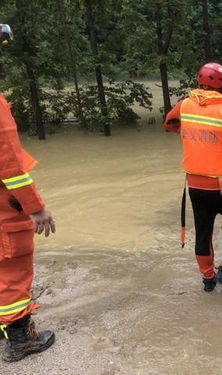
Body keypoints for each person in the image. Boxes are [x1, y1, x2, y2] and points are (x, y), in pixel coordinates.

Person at [163, 62, 222, 292]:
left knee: (203, 232)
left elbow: (169, 123)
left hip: (194, 184)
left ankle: (208, 279)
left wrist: (186, 133)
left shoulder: (185, 104)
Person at [0, 24, 56, 362]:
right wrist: (36, 208)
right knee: (14, 271)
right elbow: (10, 167)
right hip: (5, 211)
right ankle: (20, 337)